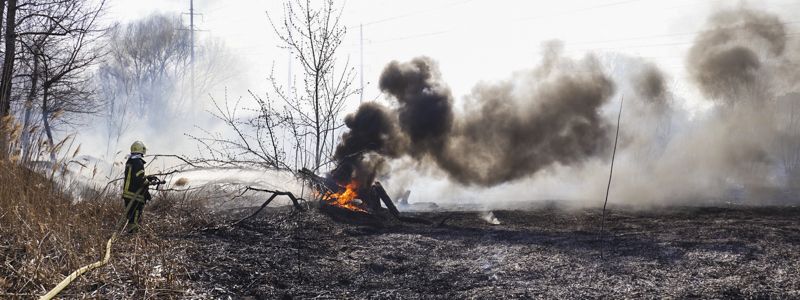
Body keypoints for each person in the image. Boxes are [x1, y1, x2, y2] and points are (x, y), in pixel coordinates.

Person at [122, 141, 152, 233]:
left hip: (127, 194)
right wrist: (147, 183)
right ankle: (133, 234)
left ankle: (131, 233)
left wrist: (147, 178)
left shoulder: (130, 161)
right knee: (135, 216)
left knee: (130, 215)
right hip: (135, 195)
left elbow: (134, 176)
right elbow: (140, 180)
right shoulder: (138, 162)